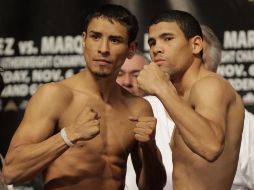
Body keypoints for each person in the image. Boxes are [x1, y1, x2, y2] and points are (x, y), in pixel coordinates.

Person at [2, 4, 166, 190]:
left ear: (131, 49)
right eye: (96, 37)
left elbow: (152, 187)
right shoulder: (56, 96)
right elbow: (11, 172)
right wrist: (68, 135)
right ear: (84, 40)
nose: (103, 48)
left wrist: (149, 148)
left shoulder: (138, 107)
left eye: (114, 40)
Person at [137, 10, 245, 189]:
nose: (156, 48)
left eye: (168, 38)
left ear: (196, 45)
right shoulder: (184, 99)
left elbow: (210, 147)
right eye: (152, 42)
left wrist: (162, 88)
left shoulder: (210, 85)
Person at [201, 24, 254, 190]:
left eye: (199, 61)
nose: (189, 70)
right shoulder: (147, 110)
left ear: (215, 68)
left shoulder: (248, 126)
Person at [118, 54, 174, 190]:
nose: (127, 82)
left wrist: (149, 146)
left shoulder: (165, 110)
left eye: (136, 75)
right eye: (119, 74)